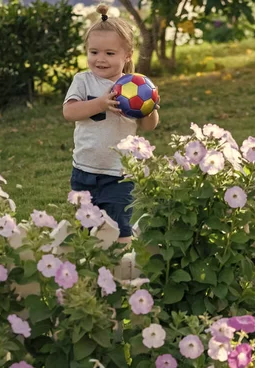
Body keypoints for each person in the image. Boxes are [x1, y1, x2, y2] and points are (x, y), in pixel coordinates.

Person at [63, 4, 160, 244]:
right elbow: (69, 112)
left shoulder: (136, 86)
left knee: (119, 230)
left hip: (119, 174)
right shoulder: (83, 81)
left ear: (127, 54)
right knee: (83, 231)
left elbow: (149, 127)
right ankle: (88, 272)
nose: (100, 59)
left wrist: (150, 109)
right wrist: (100, 103)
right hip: (84, 171)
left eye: (109, 53)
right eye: (94, 52)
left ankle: (120, 272)